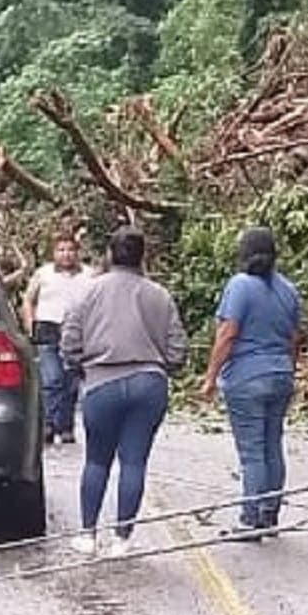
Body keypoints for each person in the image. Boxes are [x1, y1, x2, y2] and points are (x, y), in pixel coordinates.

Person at [60, 227, 186, 557]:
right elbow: (178, 350)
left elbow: (69, 340)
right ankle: (122, 539)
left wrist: (78, 366)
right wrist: (162, 366)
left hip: (102, 382)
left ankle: (88, 535)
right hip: (149, 382)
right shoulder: (160, 295)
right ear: (142, 256)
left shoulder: (88, 292)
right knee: (134, 462)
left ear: (109, 254)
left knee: (97, 460)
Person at [199, 226, 302, 539]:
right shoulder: (288, 289)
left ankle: (249, 518)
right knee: (273, 444)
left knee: (252, 452)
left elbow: (228, 333)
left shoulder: (240, 286)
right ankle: (270, 513)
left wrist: (210, 378)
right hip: (280, 374)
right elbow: (295, 338)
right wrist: (289, 369)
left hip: (246, 377)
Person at [22, 233, 89, 445]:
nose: (66, 254)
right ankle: (47, 424)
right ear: (54, 253)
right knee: (52, 379)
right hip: (47, 328)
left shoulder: (89, 275)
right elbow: (28, 300)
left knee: (71, 382)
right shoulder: (43, 274)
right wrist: (30, 324)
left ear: (77, 252)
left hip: (77, 330)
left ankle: (66, 426)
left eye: (70, 250)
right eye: (61, 250)